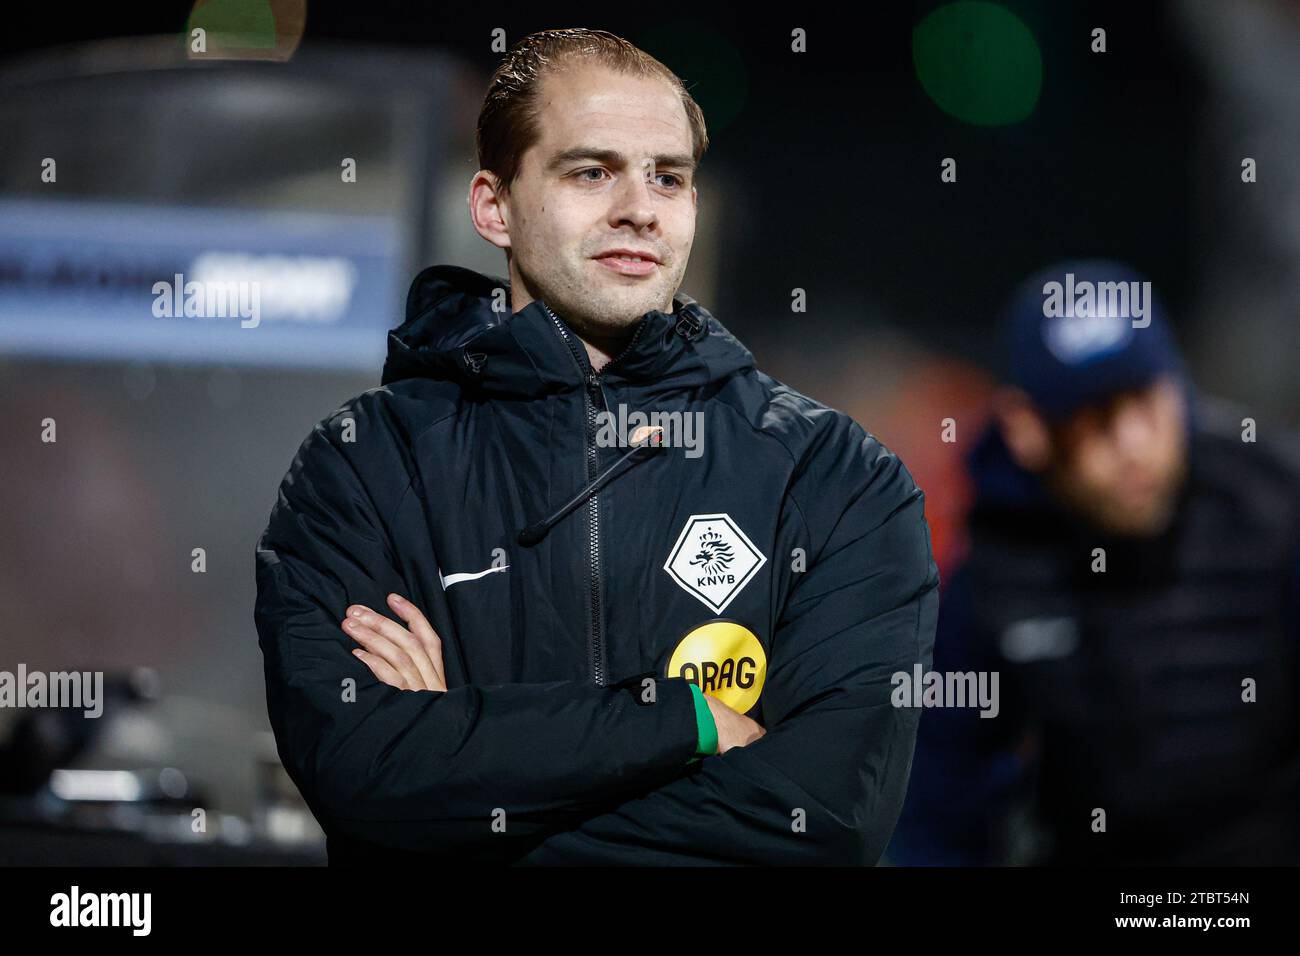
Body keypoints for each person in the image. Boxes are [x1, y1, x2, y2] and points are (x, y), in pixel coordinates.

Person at [253, 27, 938, 865]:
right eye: (590, 171)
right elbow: (362, 767)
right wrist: (680, 722)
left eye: (668, 177)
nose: (640, 208)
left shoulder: (838, 480)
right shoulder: (363, 466)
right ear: (492, 207)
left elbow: (824, 821)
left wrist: (457, 783)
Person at [888, 260, 1300, 865]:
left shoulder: (1273, 508)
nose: (1134, 445)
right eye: (1097, 419)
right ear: (1028, 430)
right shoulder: (999, 564)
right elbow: (941, 796)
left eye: (1147, 404)